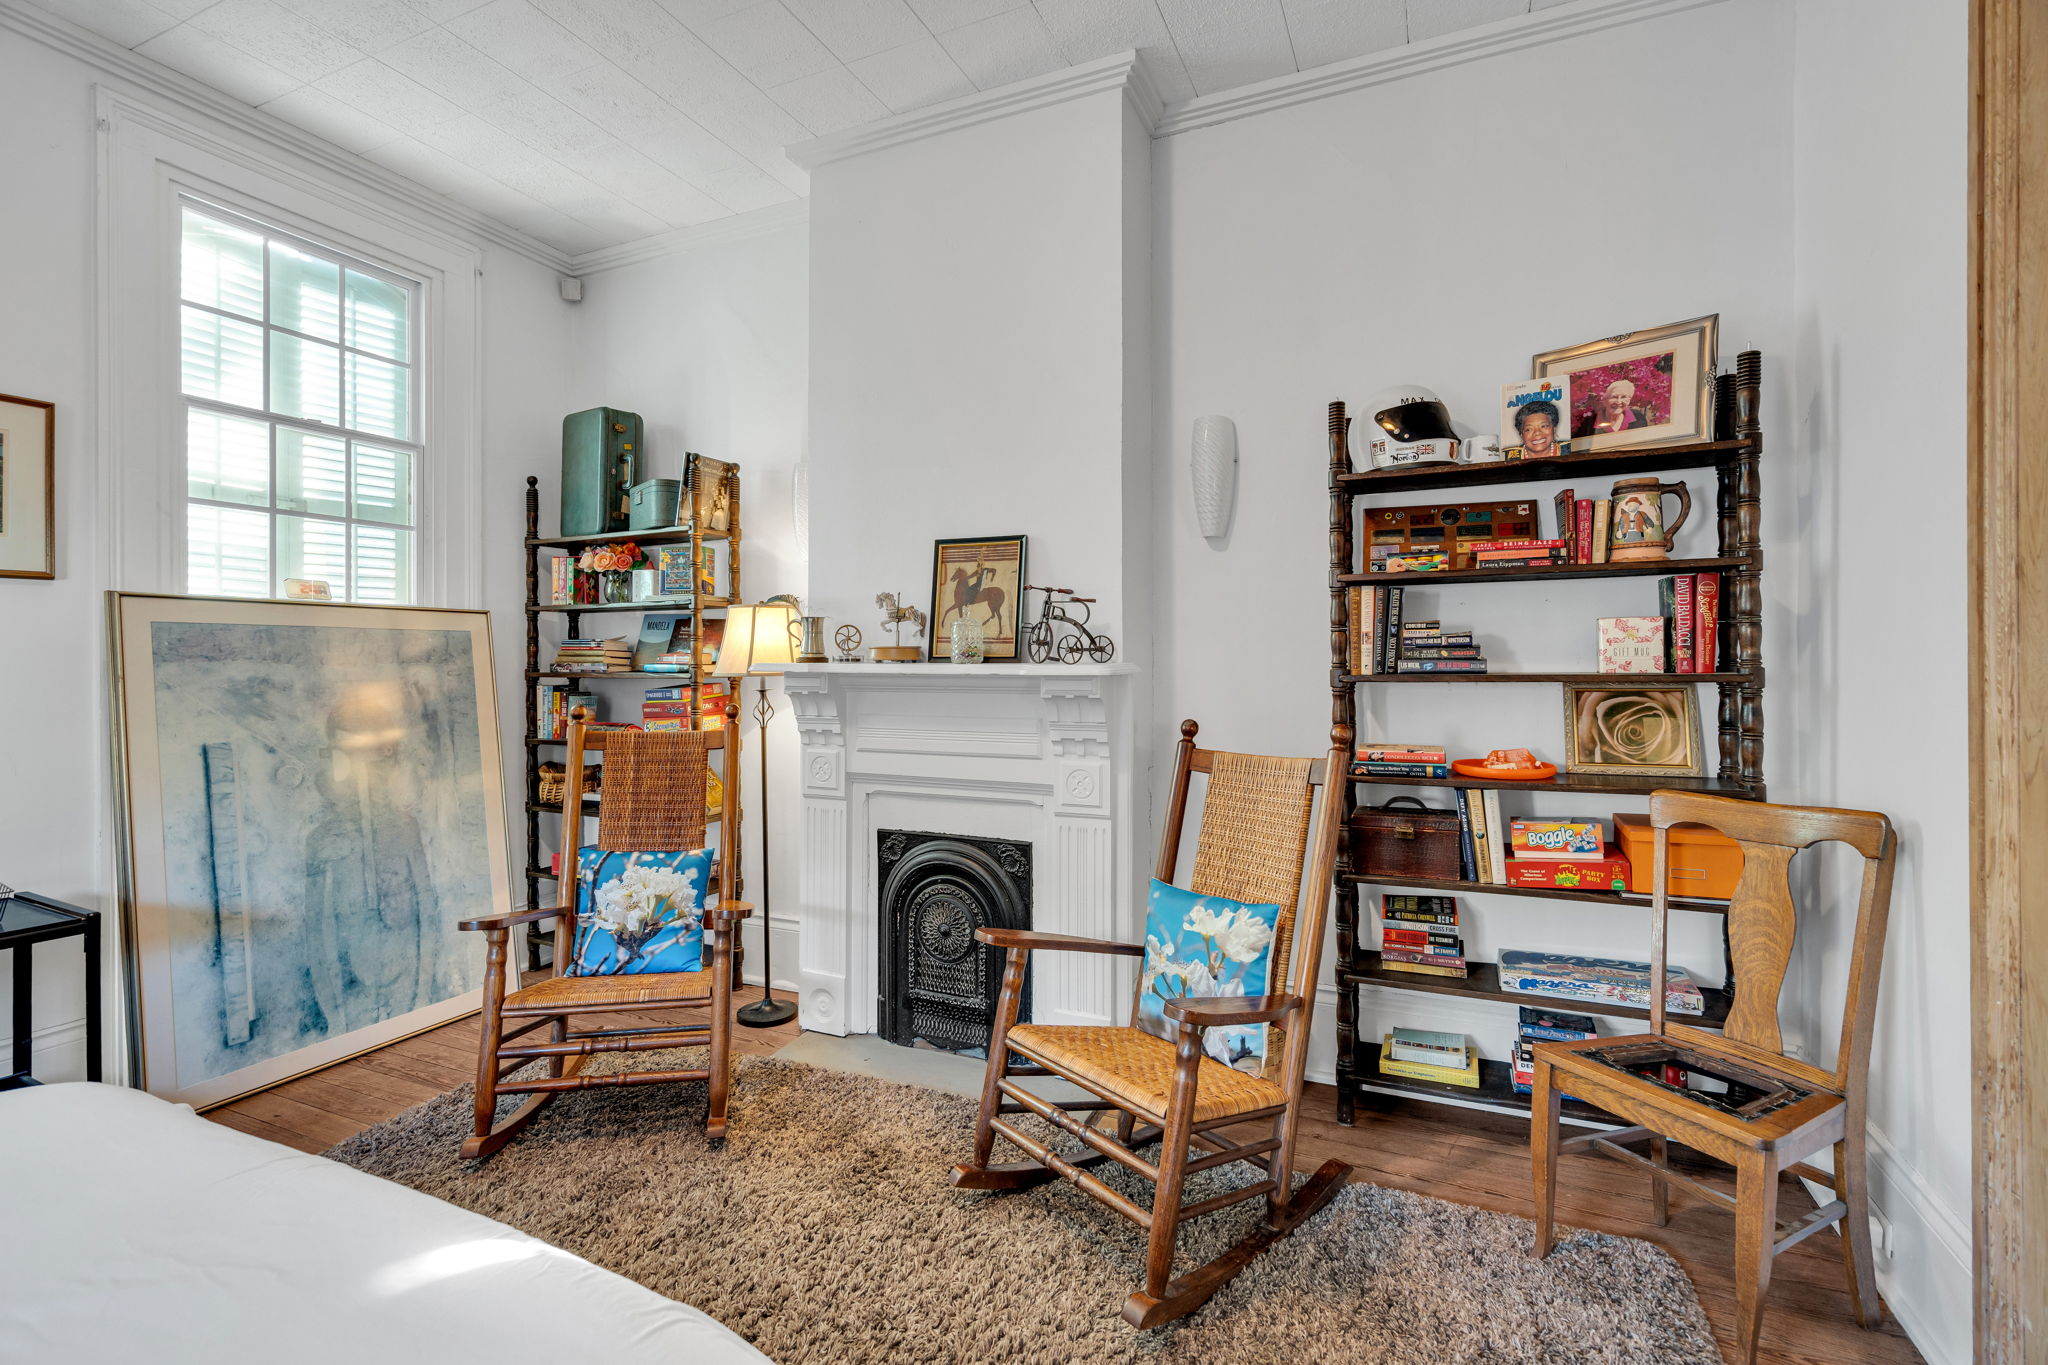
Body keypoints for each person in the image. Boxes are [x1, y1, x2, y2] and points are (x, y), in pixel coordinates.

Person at [1574, 378, 1650, 437]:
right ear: (1604, 400)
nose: (1619, 402)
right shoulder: (1589, 423)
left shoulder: (1639, 417)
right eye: (1614, 397)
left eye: (1624, 397)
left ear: (1629, 400)